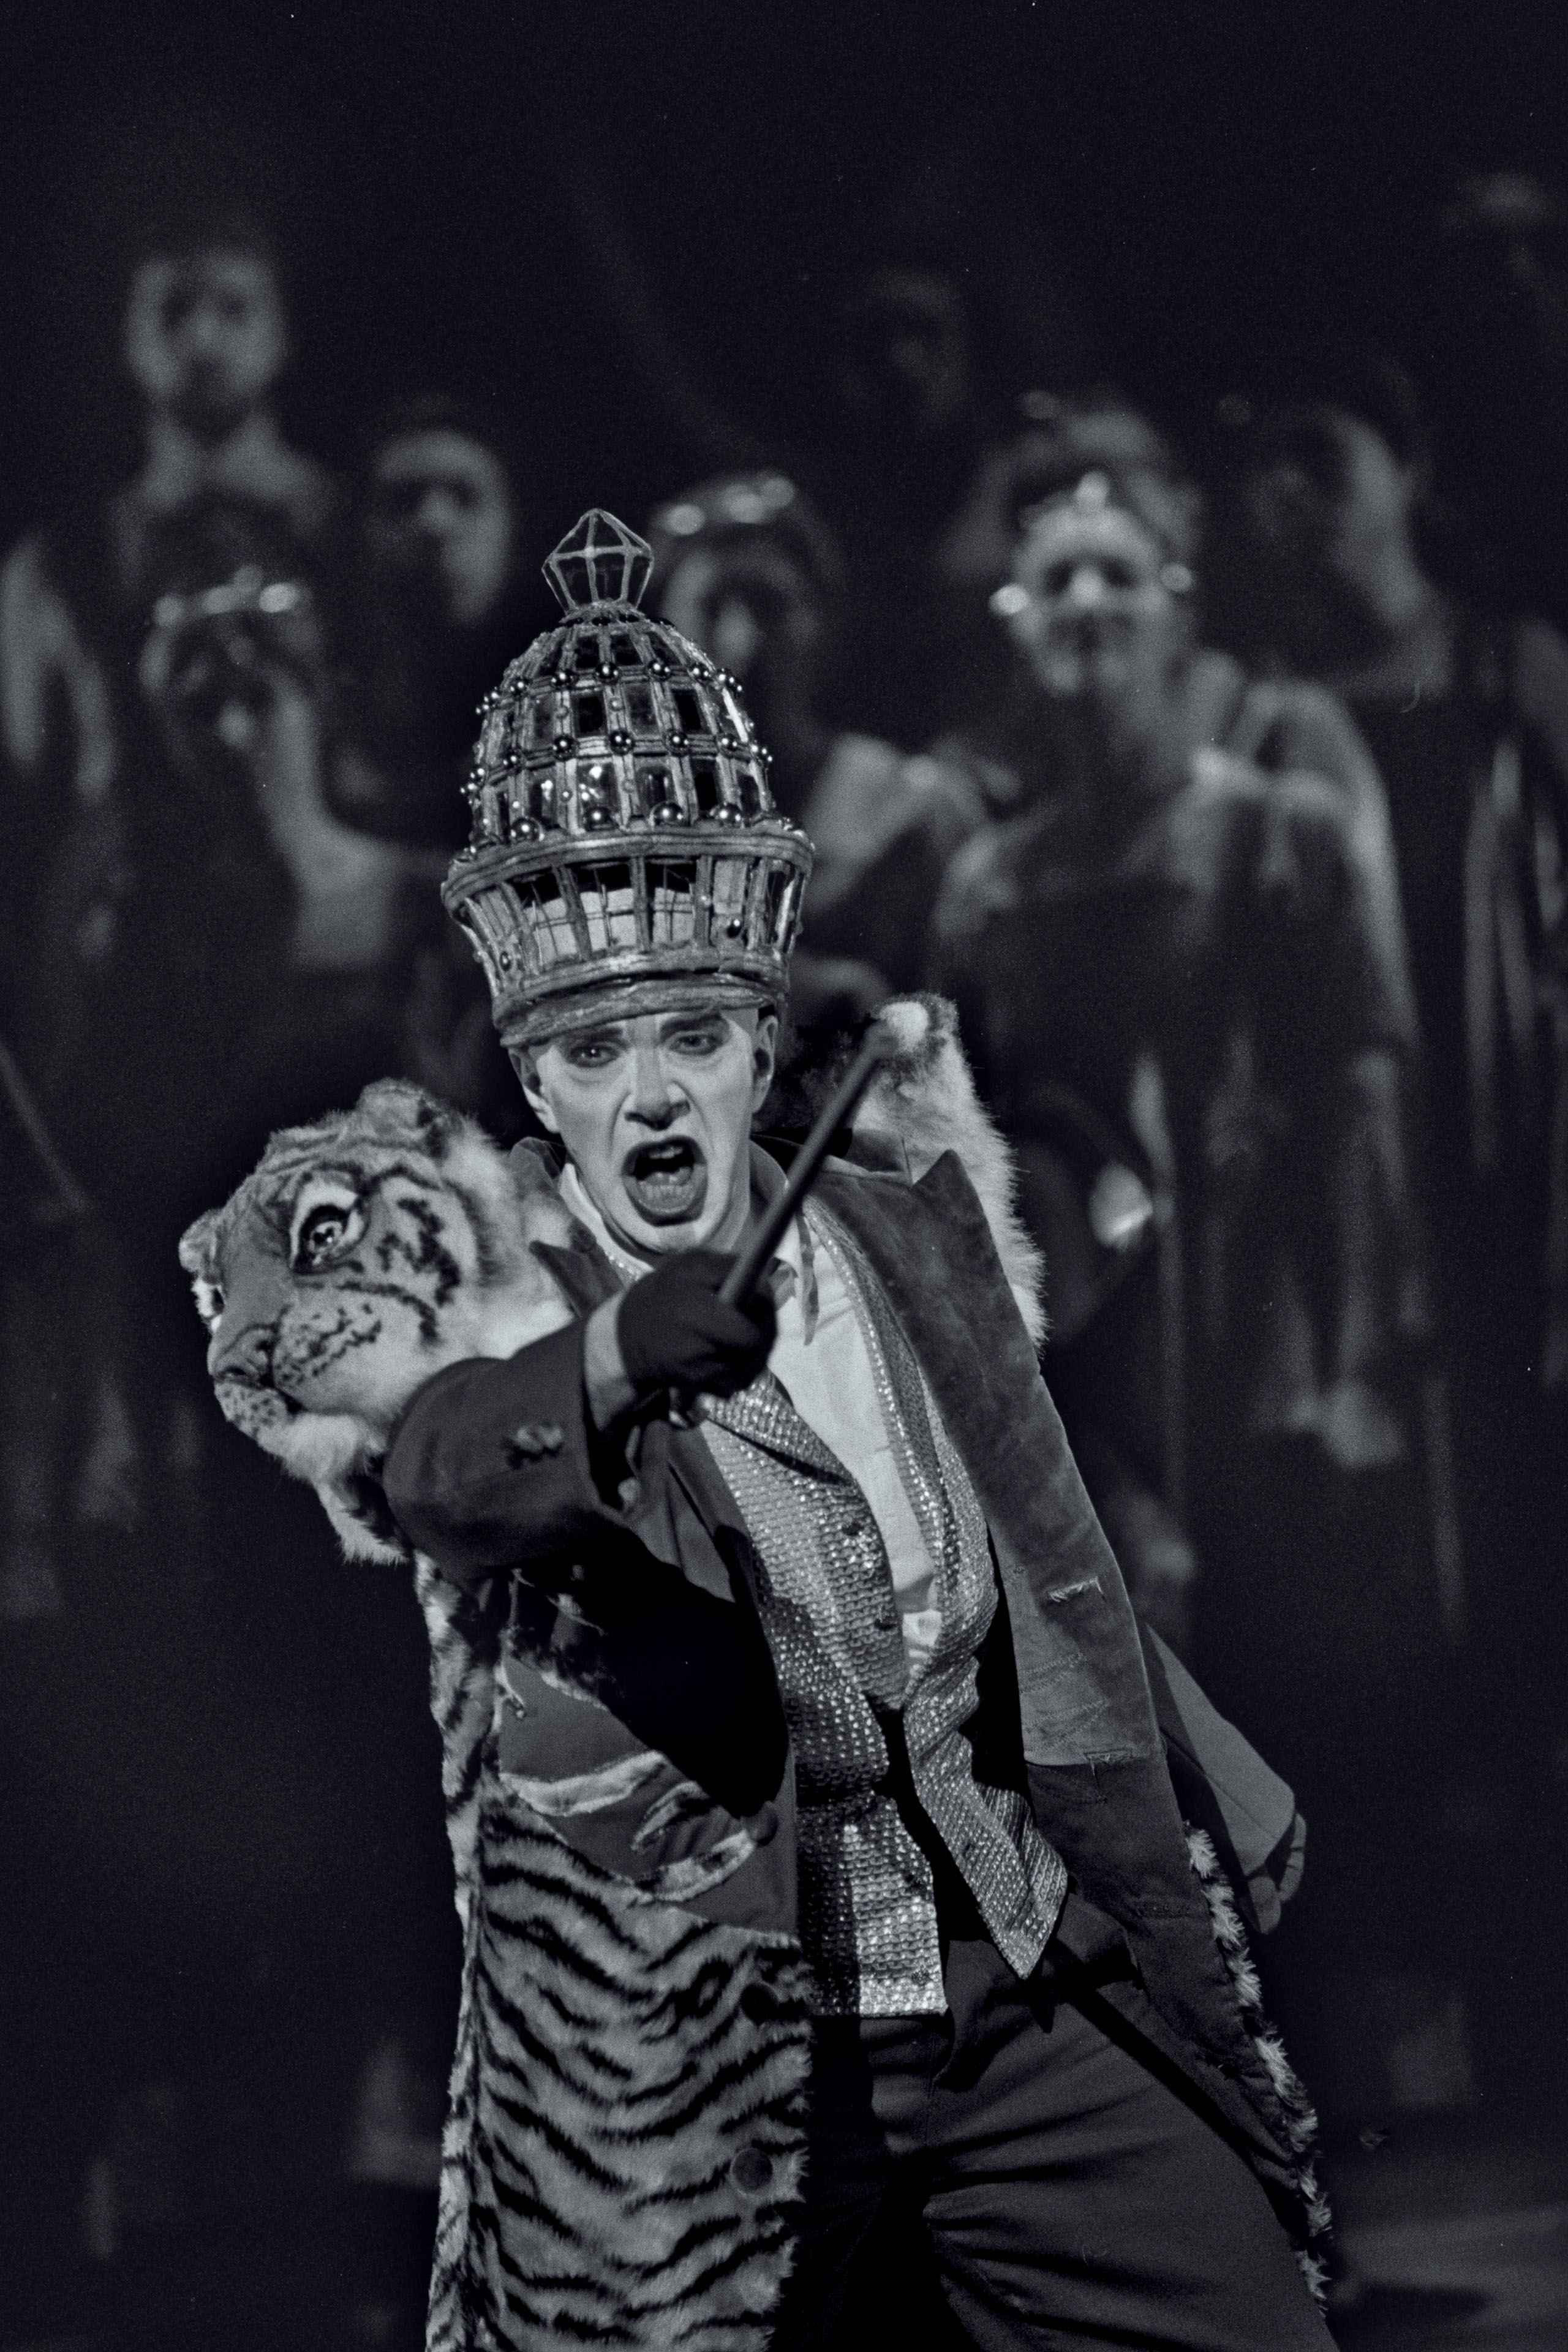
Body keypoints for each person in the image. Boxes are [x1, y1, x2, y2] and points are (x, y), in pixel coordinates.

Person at [187, 511, 1333, 2348]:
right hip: (719, 2075)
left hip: (1021, 1987)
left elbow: (1039, 1553)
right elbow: (431, 1467)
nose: (646, 1089)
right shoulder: (490, 1286)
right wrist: (618, 1357)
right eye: (589, 1050)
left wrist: (1209, 1775)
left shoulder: (893, 1230)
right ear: (533, 1073)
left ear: (752, 1029)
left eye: (688, 1035)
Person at [1208, 350, 1568, 1735]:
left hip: (1506, 1117)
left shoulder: (1505, 664)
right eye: (1265, 467)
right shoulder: (1257, 702)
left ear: (1404, 468)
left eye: (1320, 451)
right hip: (1352, 1138)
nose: (1288, 492)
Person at [648, 472, 982, 999]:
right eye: (712, 607)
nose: (741, 643)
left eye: (769, 605)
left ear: (823, 624)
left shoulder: (913, 810)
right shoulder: (611, 826)